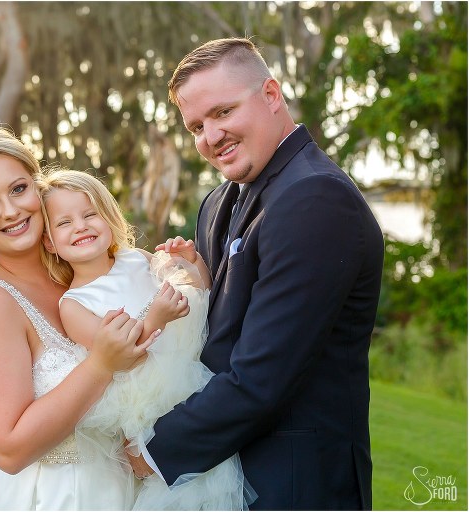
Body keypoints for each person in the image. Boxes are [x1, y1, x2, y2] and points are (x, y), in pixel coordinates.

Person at [127, 37, 384, 510]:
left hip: (294, 483)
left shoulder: (316, 199)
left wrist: (152, 450)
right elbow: (212, 341)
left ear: (271, 95)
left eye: (223, 113)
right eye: (196, 126)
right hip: (222, 478)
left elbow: (263, 376)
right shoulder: (217, 202)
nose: (210, 136)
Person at [0, 126, 157, 510]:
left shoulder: (77, 272)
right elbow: (9, 449)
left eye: (18, 189)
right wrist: (100, 366)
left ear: (38, 186)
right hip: (50, 496)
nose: (11, 211)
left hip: (121, 488)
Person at [39, 168, 252, 510]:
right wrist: (155, 317)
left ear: (108, 219)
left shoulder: (135, 258)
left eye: (90, 214)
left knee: (214, 474)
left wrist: (192, 265)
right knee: (177, 490)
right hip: (146, 404)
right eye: (64, 223)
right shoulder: (73, 304)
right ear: (49, 242)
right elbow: (118, 356)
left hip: (192, 379)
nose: (80, 226)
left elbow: (197, 297)